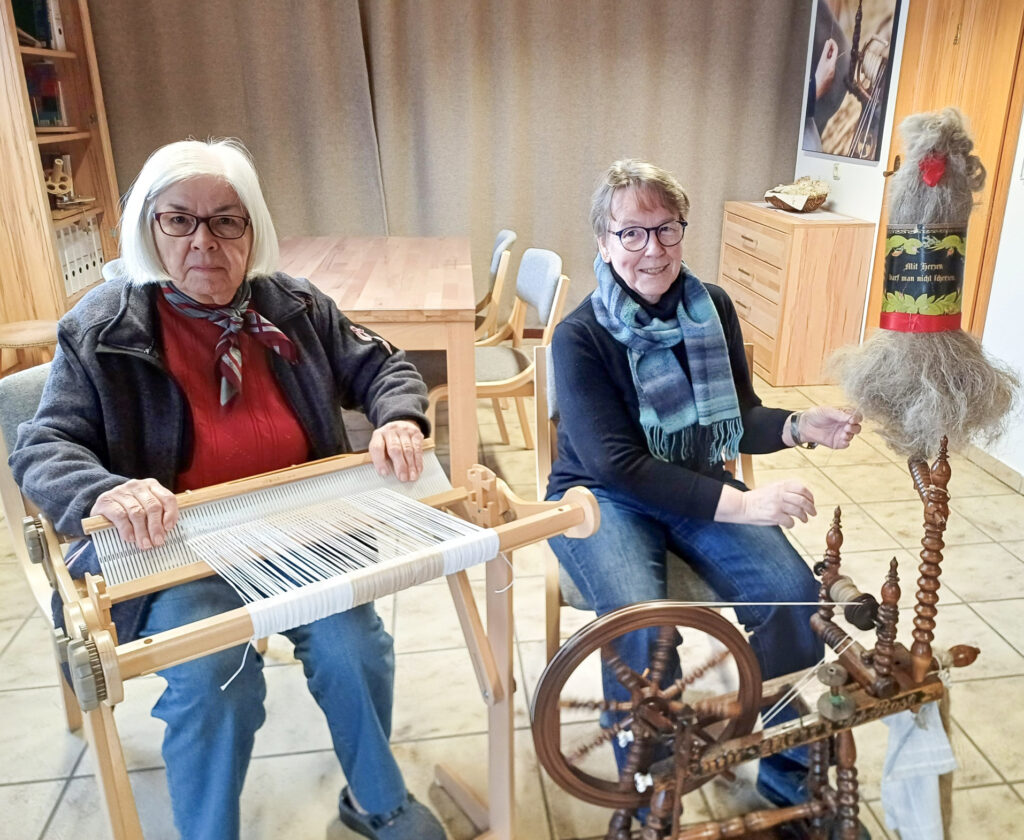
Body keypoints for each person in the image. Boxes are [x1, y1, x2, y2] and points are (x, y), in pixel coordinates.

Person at [10, 139, 446, 840]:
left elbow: (384, 365)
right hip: (180, 549)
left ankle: (373, 801)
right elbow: (43, 445)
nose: (203, 242)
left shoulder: (294, 305)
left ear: (253, 230)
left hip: (302, 529)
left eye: (226, 221)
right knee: (219, 681)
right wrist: (103, 491)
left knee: (354, 647)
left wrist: (397, 418)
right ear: (151, 231)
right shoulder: (101, 330)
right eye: (178, 221)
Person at [545, 159, 862, 820]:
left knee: (792, 596)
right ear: (603, 242)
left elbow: (738, 415)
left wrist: (801, 424)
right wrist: (745, 504)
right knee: (643, 620)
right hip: (600, 495)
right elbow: (618, 465)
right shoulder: (579, 336)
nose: (652, 249)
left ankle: (784, 763)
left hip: (692, 477)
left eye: (666, 230)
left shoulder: (710, 307)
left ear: (682, 232)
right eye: (631, 233)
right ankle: (648, 772)